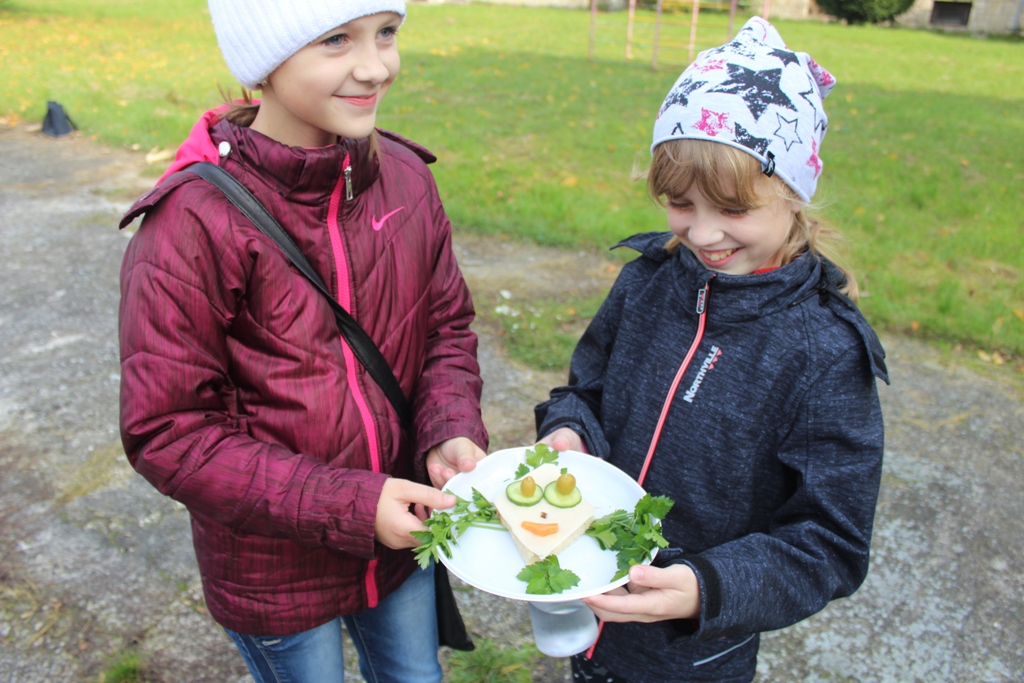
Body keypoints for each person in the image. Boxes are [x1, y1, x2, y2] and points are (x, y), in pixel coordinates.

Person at [117, 1, 488, 681]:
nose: (376, 66)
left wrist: (449, 427)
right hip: (274, 577)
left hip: (399, 544)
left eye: (386, 33)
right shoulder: (192, 223)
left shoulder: (405, 177)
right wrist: (350, 504)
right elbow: (168, 431)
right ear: (265, 58)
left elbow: (445, 328)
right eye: (336, 40)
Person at [535, 17, 888, 683]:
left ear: (792, 194)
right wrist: (567, 433)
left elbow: (830, 542)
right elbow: (585, 391)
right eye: (678, 202)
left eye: (732, 208)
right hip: (584, 607)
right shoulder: (645, 283)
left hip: (696, 654)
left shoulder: (824, 352)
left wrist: (705, 586)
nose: (701, 232)